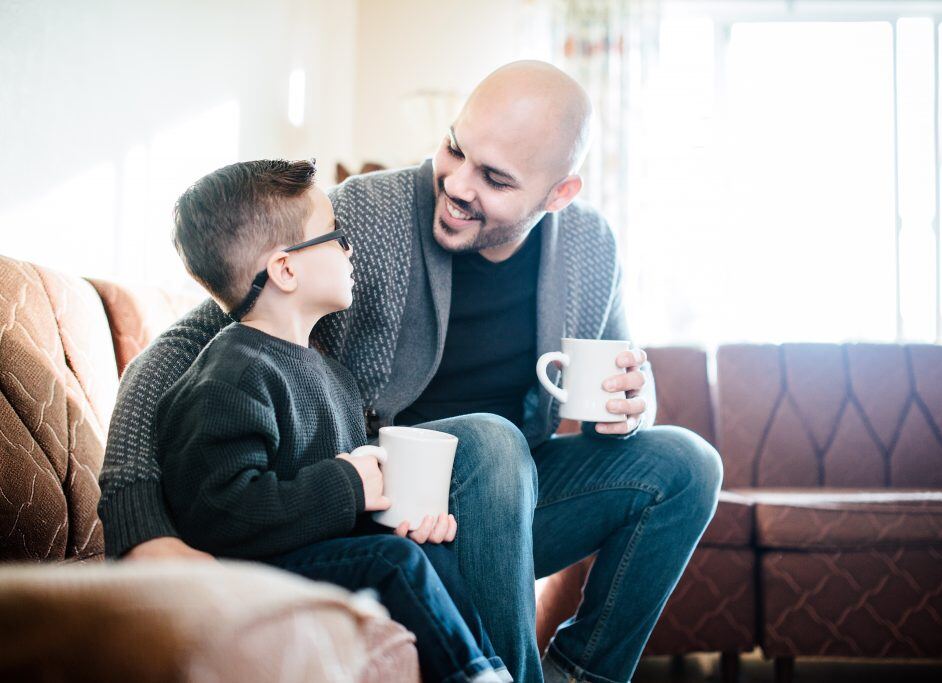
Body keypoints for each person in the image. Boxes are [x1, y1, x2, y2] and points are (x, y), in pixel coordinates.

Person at [100, 61, 723, 683]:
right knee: (493, 440)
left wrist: (632, 408)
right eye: (455, 147)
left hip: (509, 505)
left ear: (558, 194)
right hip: (387, 505)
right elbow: (181, 350)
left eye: (496, 179)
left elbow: (618, 388)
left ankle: (580, 674)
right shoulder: (365, 218)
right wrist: (141, 528)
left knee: (690, 464)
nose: (455, 183)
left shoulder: (591, 248)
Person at [150, 158, 509, 683]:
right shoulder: (230, 374)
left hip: (310, 556)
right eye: (333, 235)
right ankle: (474, 675)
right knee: (395, 563)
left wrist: (396, 515)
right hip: (249, 571)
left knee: (422, 551)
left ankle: (490, 666)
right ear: (286, 269)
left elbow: (334, 509)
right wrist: (346, 484)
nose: (349, 246)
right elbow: (218, 514)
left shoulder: (334, 378)